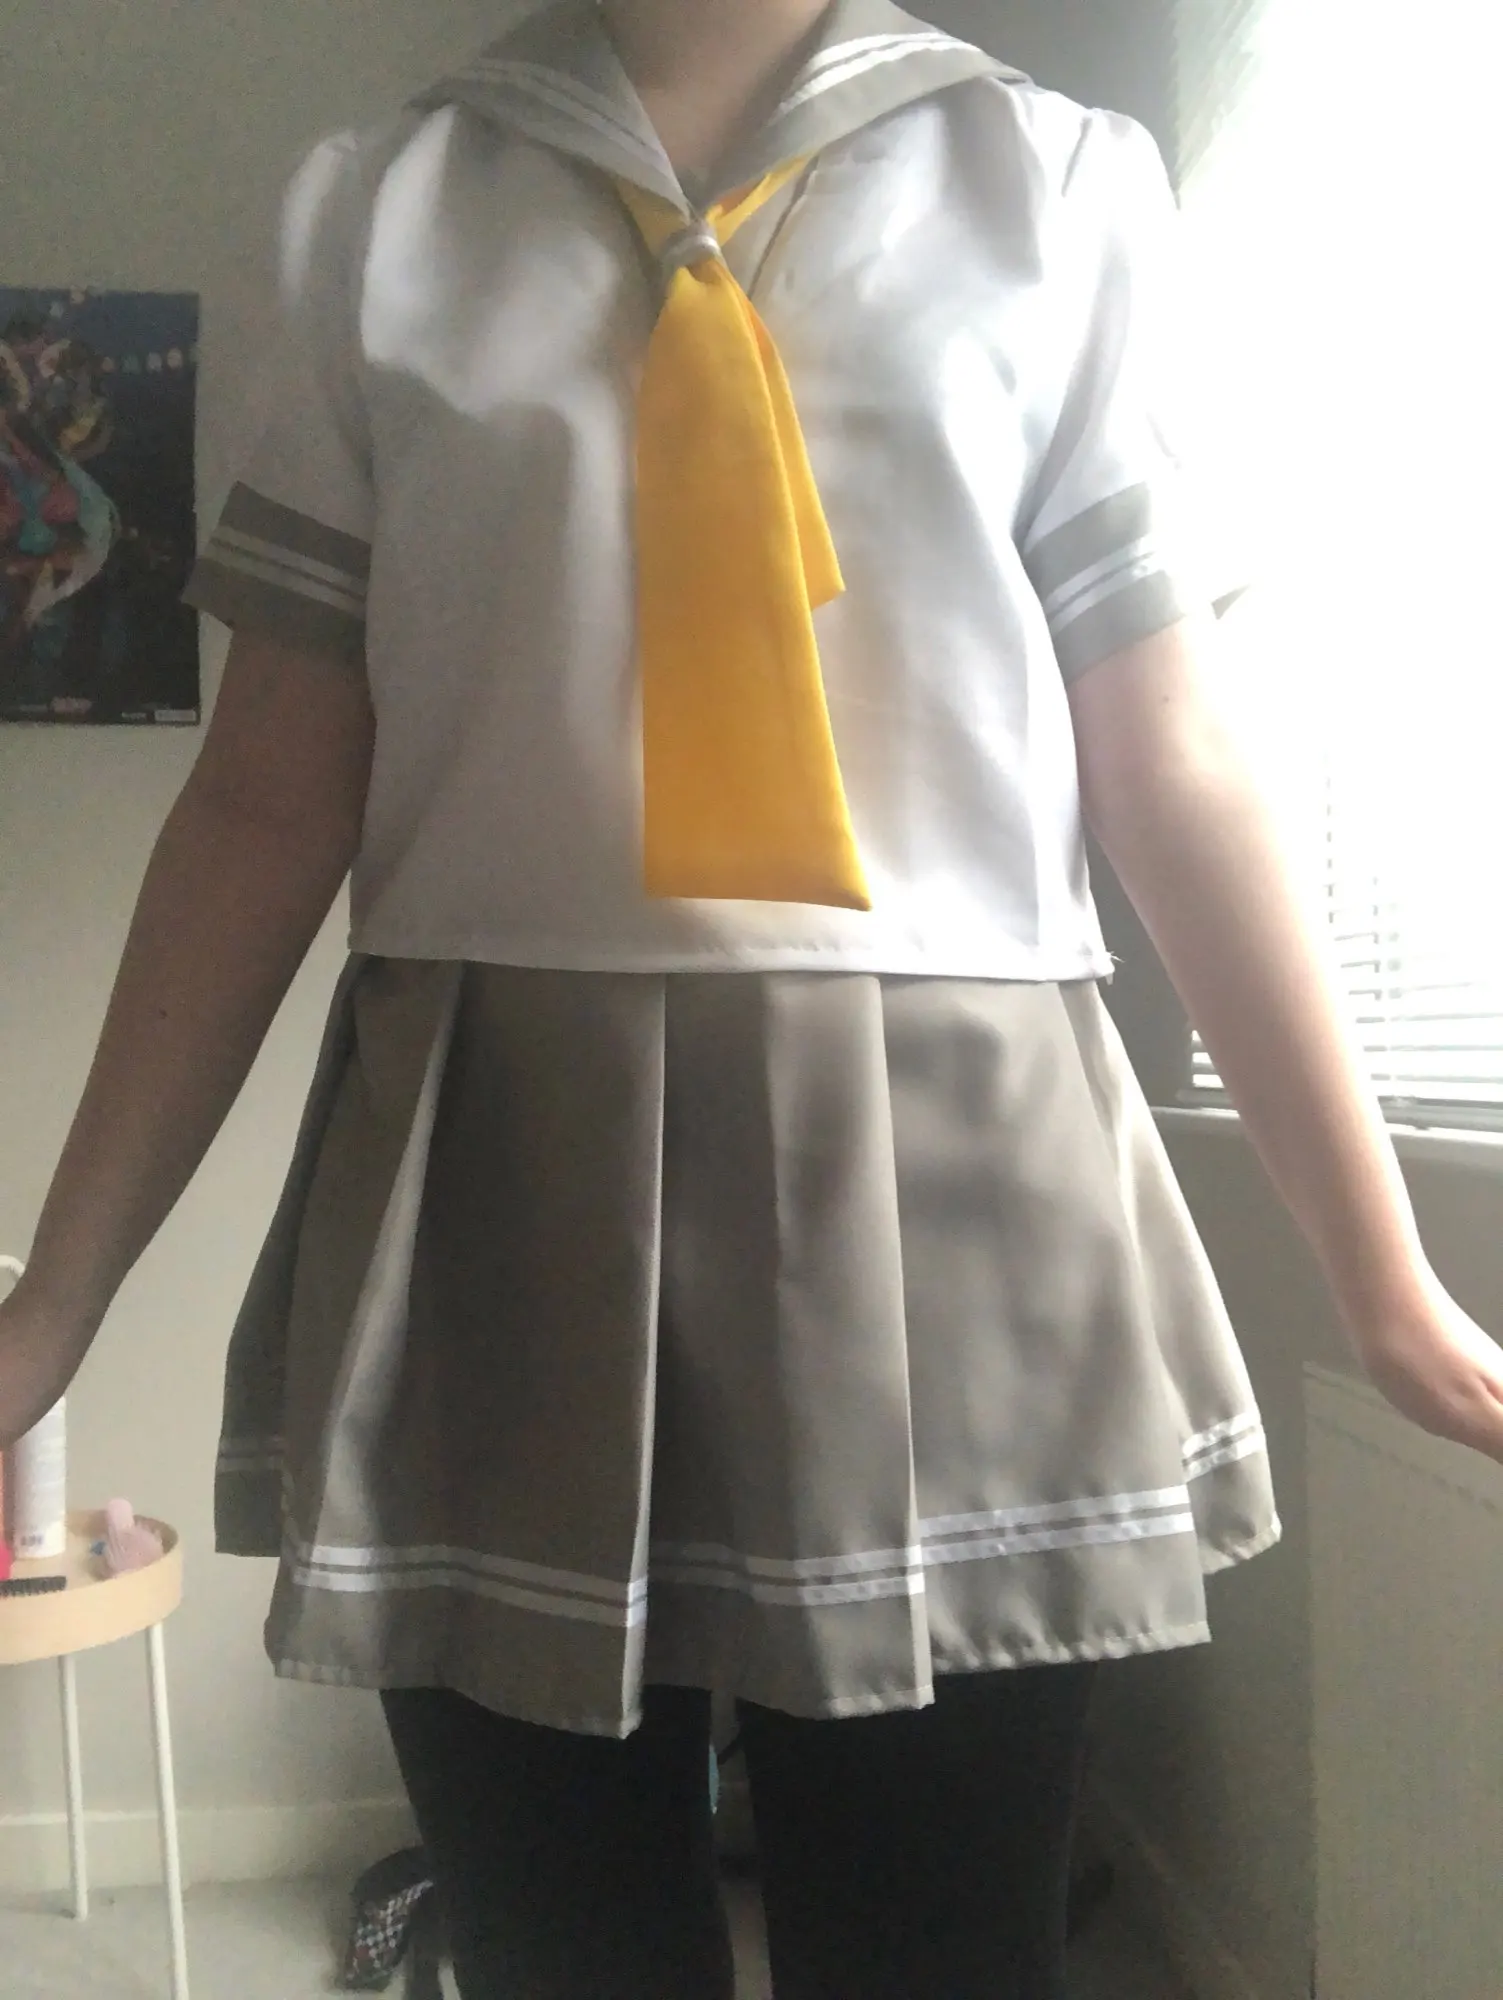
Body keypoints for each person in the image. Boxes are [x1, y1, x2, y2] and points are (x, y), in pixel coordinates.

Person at [3, 2, 1501, 1994]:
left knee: (940, 1948)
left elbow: (1172, 759)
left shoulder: (1057, 191)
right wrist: (51, 1309)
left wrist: (1382, 1274)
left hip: (958, 1189)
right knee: (560, 1947)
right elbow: (268, 797)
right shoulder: (377, 213)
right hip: (500, 1182)